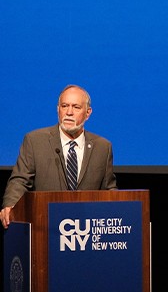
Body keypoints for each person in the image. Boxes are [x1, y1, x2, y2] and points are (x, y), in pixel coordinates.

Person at [0, 84, 117, 229]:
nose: (69, 112)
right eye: (64, 106)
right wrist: (12, 206)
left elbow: (109, 190)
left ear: (88, 113)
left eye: (76, 107)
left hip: (86, 229)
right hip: (44, 225)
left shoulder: (103, 147)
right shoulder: (35, 141)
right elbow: (20, 181)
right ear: (58, 109)